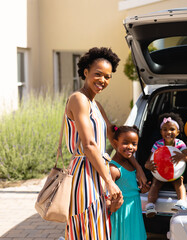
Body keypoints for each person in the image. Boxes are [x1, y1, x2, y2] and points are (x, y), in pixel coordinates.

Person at [64, 47, 147, 239]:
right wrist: (109, 181)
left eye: (108, 77)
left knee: (100, 229)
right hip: (85, 172)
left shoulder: (95, 104)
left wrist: (138, 167)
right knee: (87, 229)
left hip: (98, 172)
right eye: (98, 74)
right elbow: (89, 145)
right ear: (86, 72)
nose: (103, 80)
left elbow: (114, 138)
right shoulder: (78, 99)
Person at [144, 112, 187, 218]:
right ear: (161, 132)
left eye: (172, 129)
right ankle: (150, 205)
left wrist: (182, 156)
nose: (168, 132)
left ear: (178, 132)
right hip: (160, 173)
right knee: (155, 184)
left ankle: (182, 203)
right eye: (165, 129)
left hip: (175, 173)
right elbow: (147, 162)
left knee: (179, 182)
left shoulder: (180, 144)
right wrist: (149, 166)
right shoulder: (157, 144)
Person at [108, 125, 150, 240]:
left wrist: (141, 189)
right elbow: (106, 198)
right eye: (125, 143)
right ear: (115, 143)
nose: (130, 147)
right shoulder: (113, 169)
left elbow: (129, 188)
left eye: (134, 144)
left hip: (134, 213)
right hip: (121, 216)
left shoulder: (131, 164)